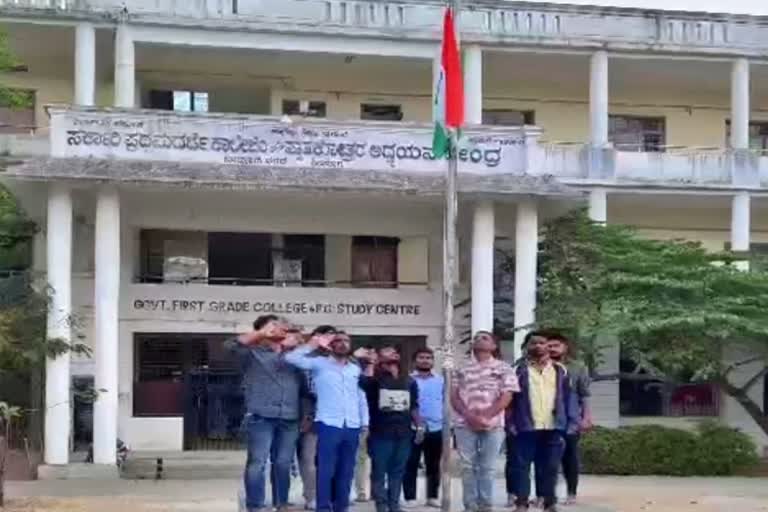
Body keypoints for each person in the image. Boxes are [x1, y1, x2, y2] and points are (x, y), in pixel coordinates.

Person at [285, 328, 369, 512]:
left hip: (352, 425)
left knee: (346, 470)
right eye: (337, 340)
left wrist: (365, 422)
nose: (342, 344)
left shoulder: (355, 369)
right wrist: (312, 344)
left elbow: (360, 396)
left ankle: (342, 507)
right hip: (329, 423)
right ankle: (323, 507)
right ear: (330, 344)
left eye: (346, 341)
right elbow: (291, 359)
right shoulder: (319, 364)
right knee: (326, 469)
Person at [226, 315, 304, 512]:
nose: (282, 329)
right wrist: (260, 333)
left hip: (290, 417)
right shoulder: (252, 353)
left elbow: (307, 385)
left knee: (283, 463)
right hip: (260, 416)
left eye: (283, 326)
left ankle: (281, 503)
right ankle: (255, 506)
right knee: (257, 463)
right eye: (276, 326)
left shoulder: (296, 356)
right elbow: (229, 345)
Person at [510, 332, 578, 512]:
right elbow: (510, 400)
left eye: (543, 343)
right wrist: (510, 424)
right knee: (522, 466)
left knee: (549, 467)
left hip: (553, 426)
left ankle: (549, 502)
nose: (539, 346)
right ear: (527, 347)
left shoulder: (560, 370)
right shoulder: (519, 370)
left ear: (549, 347)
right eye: (534, 343)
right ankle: (522, 502)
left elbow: (569, 398)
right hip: (525, 426)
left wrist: (571, 423)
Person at [451, 331, 518, 512]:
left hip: (494, 425)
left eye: (485, 338)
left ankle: (485, 505)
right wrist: (469, 415)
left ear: (494, 346)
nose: (479, 339)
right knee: (467, 466)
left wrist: (486, 415)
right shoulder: (461, 368)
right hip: (465, 424)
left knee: (487, 467)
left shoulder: (504, 368)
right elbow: (454, 396)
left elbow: (507, 395)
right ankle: (470, 505)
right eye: (476, 338)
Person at [359, 345, 420, 512]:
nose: (392, 353)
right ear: (379, 358)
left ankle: (394, 505)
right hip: (380, 432)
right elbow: (364, 383)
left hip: (404, 431)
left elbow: (414, 405)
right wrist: (371, 363)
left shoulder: (409, 381)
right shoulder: (375, 380)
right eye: (386, 351)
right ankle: (381, 504)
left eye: (394, 351)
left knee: (398, 470)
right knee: (379, 470)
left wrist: (420, 425)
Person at [547, 333, 592, 505]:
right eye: (549, 345)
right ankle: (546, 494)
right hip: (545, 419)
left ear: (565, 347)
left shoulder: (578, 367)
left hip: (570, 419)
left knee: (569, 457)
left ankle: (571, 493)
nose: (552, 348)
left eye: (556, 345)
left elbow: (584, 394)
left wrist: (586, 417)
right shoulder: (540, 366)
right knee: (546, 459)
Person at [297, 326, 336, 511]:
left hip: (336, 418)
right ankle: (311, 495)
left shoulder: (342, 361)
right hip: (311, 415)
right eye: (324, 337)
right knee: (309, 458)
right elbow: (309, 390)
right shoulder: (306, 359)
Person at [402, 347, 444, 508]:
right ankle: (410, 497)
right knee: (410, 463)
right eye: (421, 357)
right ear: (415, 361)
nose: (425, 360)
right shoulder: (408, 380)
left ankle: (432, 496)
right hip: (412, 427)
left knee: (433, 464)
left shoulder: (440, 380)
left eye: (428, 357)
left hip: (436, 427)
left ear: (433, 361)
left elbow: (446, 402)